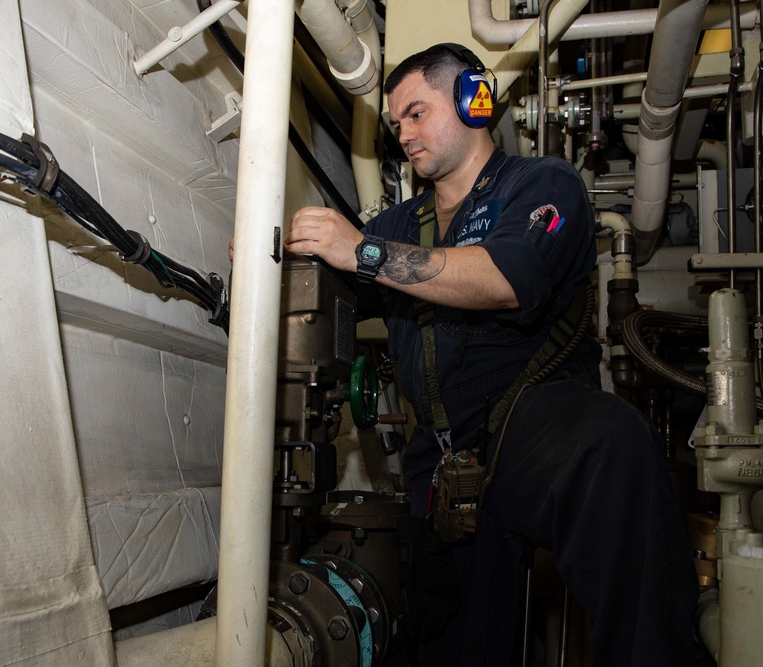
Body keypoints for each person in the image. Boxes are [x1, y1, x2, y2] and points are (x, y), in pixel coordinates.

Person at [280, 44, 697, 666]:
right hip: (442, 463)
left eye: (417, 113)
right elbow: (323, 282)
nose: (404, 135)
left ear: (473, 101)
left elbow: (507, 278)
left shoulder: (541, 185)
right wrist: (270, 256)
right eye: (397, 123)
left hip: (538, 426)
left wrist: (362, 252)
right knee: (451, 639)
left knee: (613, 445)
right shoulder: (398, 223)